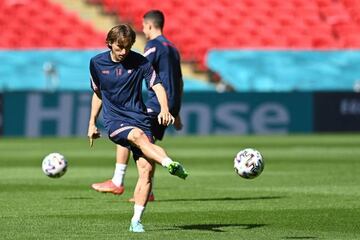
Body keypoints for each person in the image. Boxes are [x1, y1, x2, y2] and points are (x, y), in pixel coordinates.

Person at [87, 24, 188, 233]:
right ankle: (169, 162)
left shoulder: (141, 62)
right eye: (119, 47)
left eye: (128, 47)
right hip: (115, 121)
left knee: (147, 170)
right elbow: (97, 93)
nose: (124, 52)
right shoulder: (96, 63)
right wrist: (92, 123)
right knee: (138, 136)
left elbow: (158, 86)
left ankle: (136, 221)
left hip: (139, 118)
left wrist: (165, 109)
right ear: (110, 43)